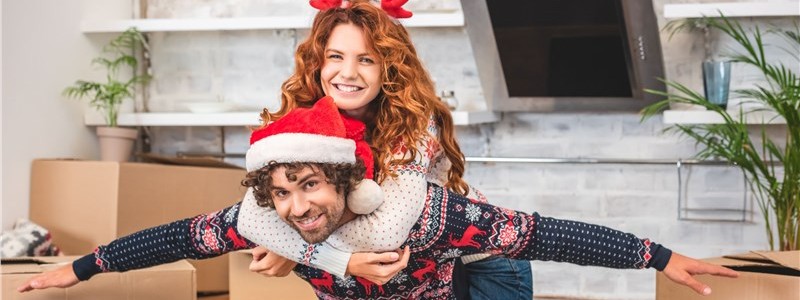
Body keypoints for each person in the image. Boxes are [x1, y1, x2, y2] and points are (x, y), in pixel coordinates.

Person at [18, 97, 738, 299]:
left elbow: (545, 234)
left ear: (342, 181)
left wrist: (660, 256)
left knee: (501, 263)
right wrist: (75, 269)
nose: (299, 206)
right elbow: (170, 239)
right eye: (283, 193)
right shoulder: (266, 219)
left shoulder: (421, 210)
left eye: (310, 186)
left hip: (480, 277)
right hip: (376, 292)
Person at [234, 1, 532, 298]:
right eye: (335, 56)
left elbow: (385, 232)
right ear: (318, 62)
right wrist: (340, 261)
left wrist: (293, 248)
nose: (347, 73)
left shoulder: (415, 120)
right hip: (413, 266)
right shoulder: (303, 117)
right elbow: (251, 220)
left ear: (388, 66)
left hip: (484, 260)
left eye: (366, 59)